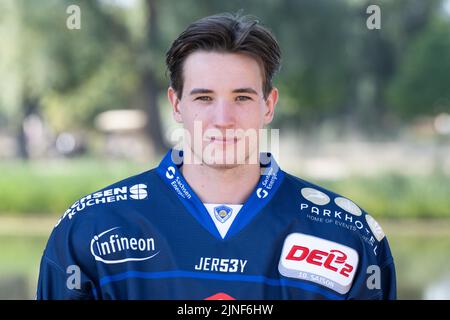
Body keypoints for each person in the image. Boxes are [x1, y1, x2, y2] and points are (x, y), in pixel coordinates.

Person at [37, 12, 396, 300]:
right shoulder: (90, 228)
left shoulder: (348, 235)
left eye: (242, 98)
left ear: (268, 106)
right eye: (203, 98)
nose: (223, 120)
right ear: (177, 105)